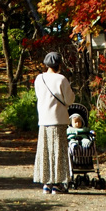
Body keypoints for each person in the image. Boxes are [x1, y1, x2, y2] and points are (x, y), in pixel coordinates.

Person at [33, 51, 73, 194]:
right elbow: (69, 100)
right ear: (59, 64)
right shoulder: (61, 79)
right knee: (59, 150)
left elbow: (39, 96)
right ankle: (57, 183)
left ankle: (46, 183)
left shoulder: (39, 79)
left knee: (45, 151)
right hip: (59, 119)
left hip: (43, 120)